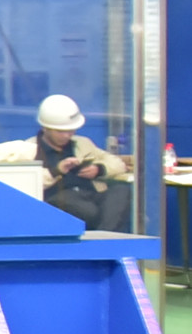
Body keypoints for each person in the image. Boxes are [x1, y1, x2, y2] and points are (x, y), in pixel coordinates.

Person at [30, 93, 132, 232]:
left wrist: (99, 169)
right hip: (58, 199)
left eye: (71, 130)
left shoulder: (82, 144)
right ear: (45, 128)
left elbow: (117, 163)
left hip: (90, 194)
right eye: (60, 131)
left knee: (121, 191)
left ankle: (105, 236)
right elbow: (25, 183)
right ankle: (105, 237)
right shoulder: (29, 149)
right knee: (87, 210)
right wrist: (57, 171)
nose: (67, 135)